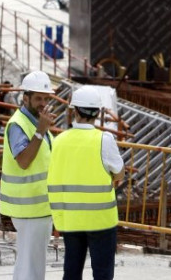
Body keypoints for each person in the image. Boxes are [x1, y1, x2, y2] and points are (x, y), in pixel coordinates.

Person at [47, 85, 124, 280]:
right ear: (98, 113)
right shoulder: (103, 140)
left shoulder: (58, 141)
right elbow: (119, 172)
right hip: (100, 220)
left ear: (74, 111)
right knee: (102, 273)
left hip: (69, 218)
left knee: (71, 271)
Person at [0, 70, 55, 280]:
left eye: (46, 98)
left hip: (36, 207)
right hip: (29, 207)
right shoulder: (19, 124)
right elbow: (23, 161)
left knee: (29, 263)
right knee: (31, 266)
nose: (43, 103)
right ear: (26, 97)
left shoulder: (35, 123)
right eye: (38, 98)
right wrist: (41, 131)